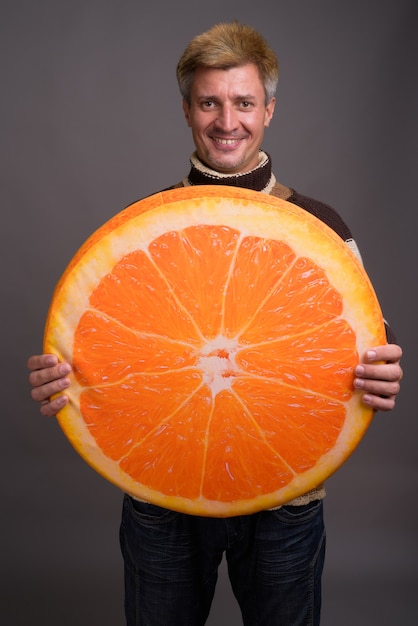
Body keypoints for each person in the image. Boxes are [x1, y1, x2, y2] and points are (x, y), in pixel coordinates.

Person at [27, 22, 403, 626]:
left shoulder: (321, 226)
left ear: (269, 110)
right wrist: (65, 377)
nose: (228, 121)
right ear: (186, 111)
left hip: (287, 498)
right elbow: (124, 354)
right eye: (210, 102)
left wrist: (383, 375)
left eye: (244, 102)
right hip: (163, 496)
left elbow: (366, 345)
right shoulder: (141, 230)